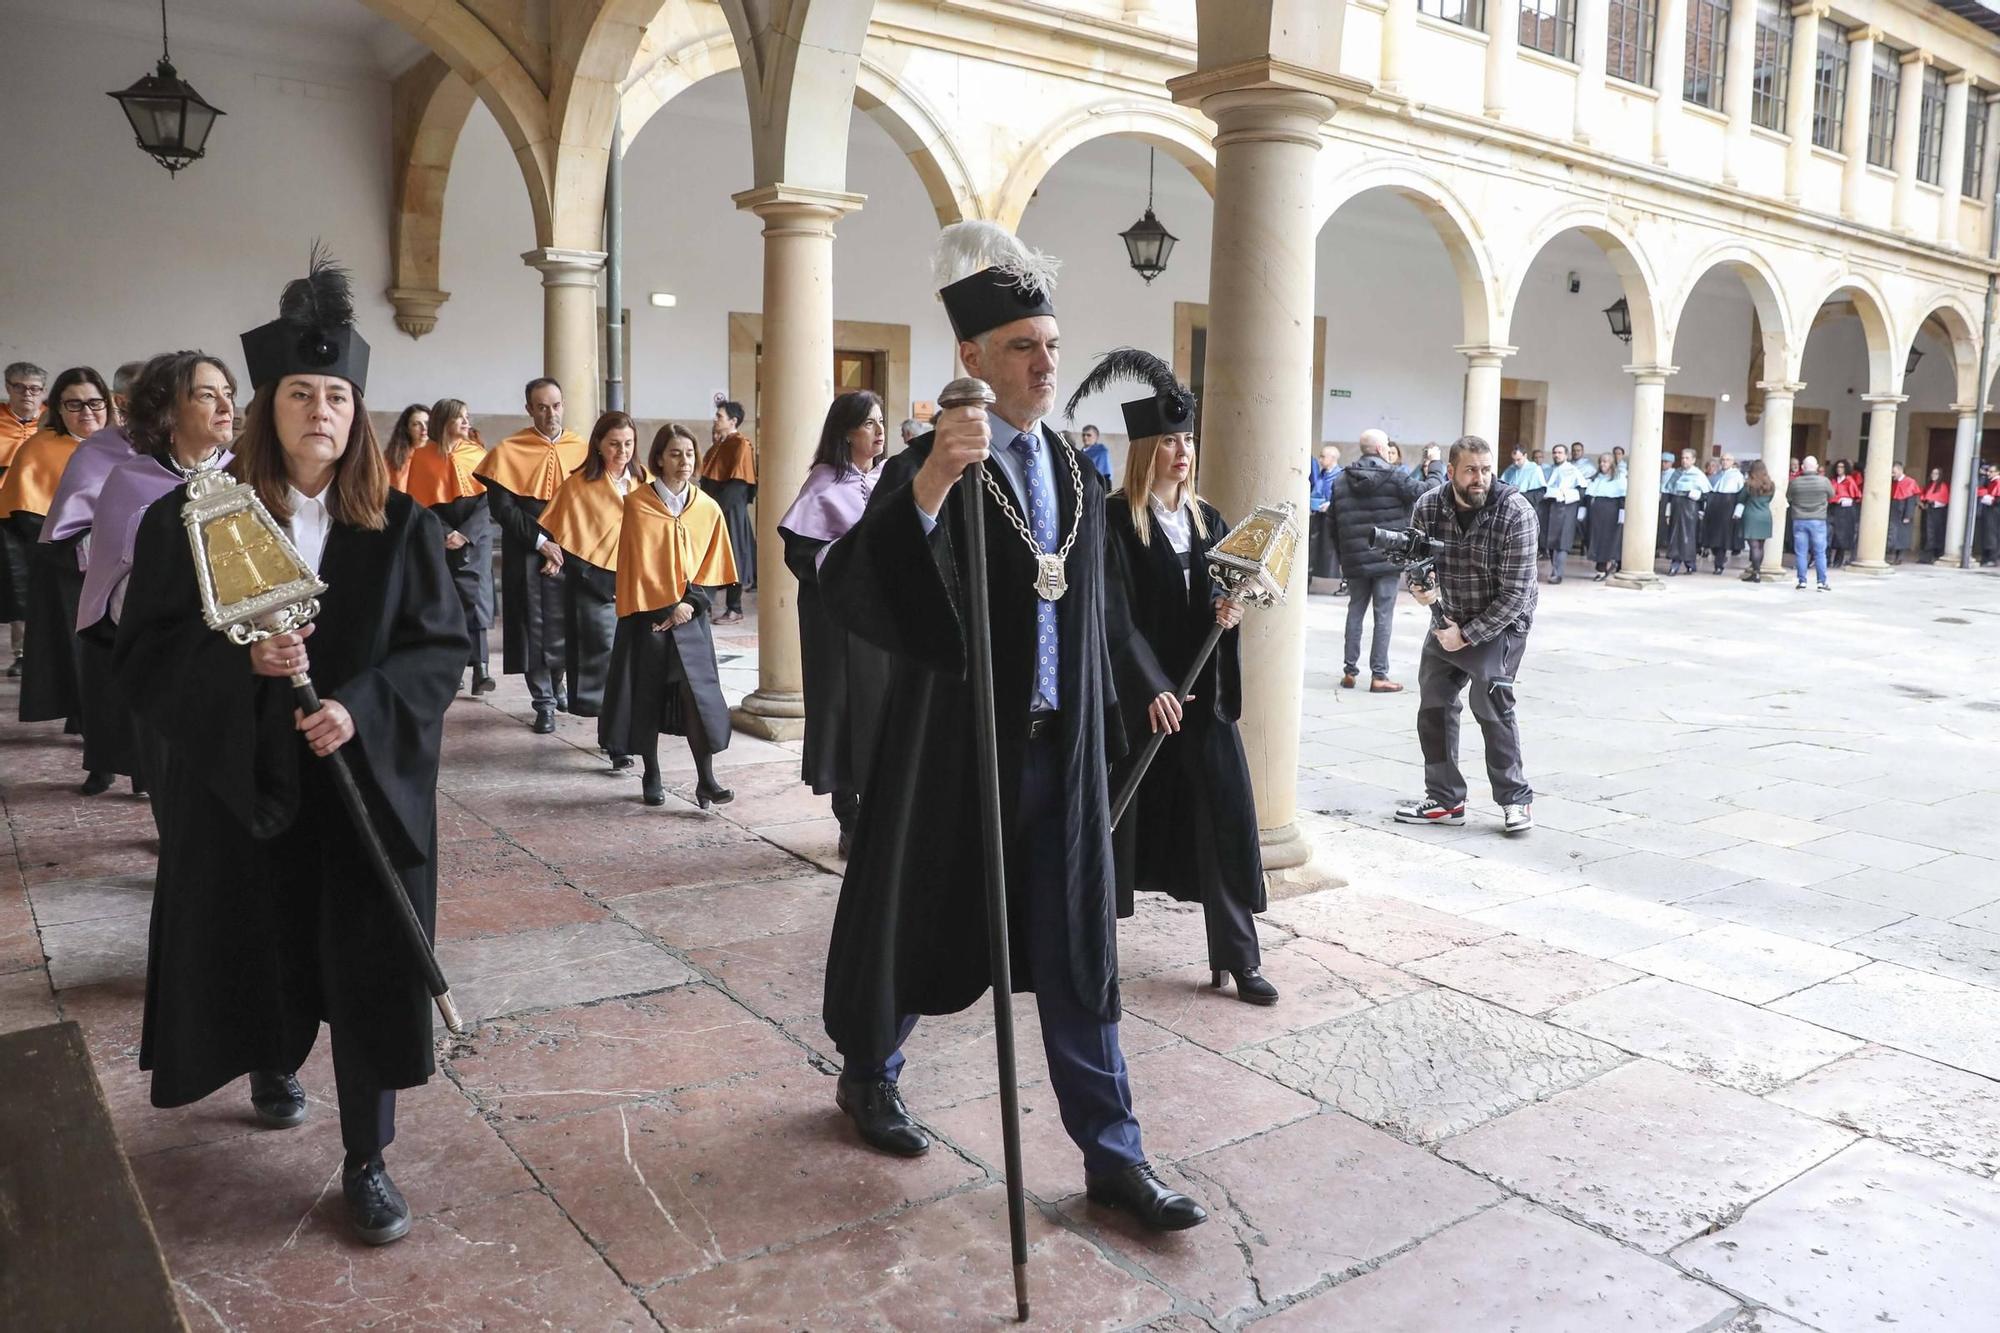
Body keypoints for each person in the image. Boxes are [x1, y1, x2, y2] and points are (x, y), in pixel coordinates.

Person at [817, 223, 1205, 1232]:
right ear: (973, 358)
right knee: (923, 916)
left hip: (1056, 753)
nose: (1044, 364)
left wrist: (1150, 675)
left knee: (1077, 953)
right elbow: (858, 587)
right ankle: (869, 1071)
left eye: (1050, 346)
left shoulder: (1075, 475)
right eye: (1023, 347)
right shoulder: (935, 460)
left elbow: (1103, 606)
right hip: (955, 753)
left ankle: (1113, 1156)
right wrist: (936, 482)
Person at [113, 250, 468, 1247]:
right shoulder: (192, 521)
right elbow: (144, 655)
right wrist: (246, 669)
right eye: (300, 393)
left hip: (365, 788)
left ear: (357, 415)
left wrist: (360, 704)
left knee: (363, 964)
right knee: (261, 950)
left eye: (338, 396)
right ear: (268, 408)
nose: (320, 411)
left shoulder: (398, 527)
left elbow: (440, 648)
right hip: (248, 787)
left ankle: (367, 1156)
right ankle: (269, 1056)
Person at [1085, 349, 1272, 1006]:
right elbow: (1112, 616)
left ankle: (1239, 957)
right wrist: (1148, 686)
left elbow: (1224, 598)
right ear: (1144, 450)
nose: (1182, 452)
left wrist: (1228, 610)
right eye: (1168, 441)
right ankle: (1090, 959)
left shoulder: (1208, 521)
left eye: (1186, 439)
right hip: (1140, 704)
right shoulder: (1112, 522)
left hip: (1201, 700)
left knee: (1222, 821)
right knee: (1114, 828)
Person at [78, 353, 238, 806]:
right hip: (166, 663)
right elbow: (113, 585)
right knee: (175, 791)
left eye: (228, 394)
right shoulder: (129, 482)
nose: (226, 407)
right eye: (207, 395)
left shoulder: (247, 475)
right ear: (168, 410)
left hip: (239, 663)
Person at [1395, 436, 1538, 836]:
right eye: (1472, 470)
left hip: (1502, 622)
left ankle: (1515, 800)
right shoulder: (1427, 505)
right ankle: (1445, 800)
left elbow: (1517, 594)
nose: (1481, 479)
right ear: (1452, 470)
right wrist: (1419, 586)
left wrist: (1469, 635)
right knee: (1434, 705)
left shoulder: (1515, 512)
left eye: (1487, 469)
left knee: (1490, 702)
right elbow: (1416, 559)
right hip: (1449, 616)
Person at [779, 391, 892, 855]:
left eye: (882, 421)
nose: (880, 431)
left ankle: (884, 810)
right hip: (838, 623)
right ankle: (850, 817)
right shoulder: (823, 486)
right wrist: (852, 559)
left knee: (884, 710)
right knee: (843, 710)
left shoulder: (891, 480)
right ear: (846, 432)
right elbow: (801, 555)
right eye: (869, 423)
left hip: (885, 621)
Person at [604, 423, 737, 809]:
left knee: (696, 695)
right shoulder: (638, 504)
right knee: (648, 695)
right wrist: (666, 607)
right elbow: (634, 565)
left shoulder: (707, 508)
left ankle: (706, 779)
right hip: (649, 617)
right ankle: (652, 772)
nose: (684, 461)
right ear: (659, 458)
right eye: (676, 454)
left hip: (690, 616)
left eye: (690, 454)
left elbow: (714, 565)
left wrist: (690, 605)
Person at [41, 360, 150, 795]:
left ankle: (146, 771)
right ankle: (103, 764)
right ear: (123, 402)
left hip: (159, 584)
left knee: (150, 679)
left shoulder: (178, 447)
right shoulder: (97, 450)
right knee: (105, 679)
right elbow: (68, 522)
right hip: (106, 579)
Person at [476, 378, 586, 731]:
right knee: (534, 630)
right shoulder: (509, 450)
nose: (550, 413)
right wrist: (542, 544)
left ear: (563, 405)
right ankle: (544, 703)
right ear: (529, 409)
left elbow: (589, 506)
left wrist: (563, 547)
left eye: (555, 405)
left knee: (569, 625)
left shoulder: (582, 449)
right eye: (541, 407)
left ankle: (559, 684)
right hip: (527, 549)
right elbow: (504, 510)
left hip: (572, 547)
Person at [4, 367, 110, 731]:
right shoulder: (39, 447)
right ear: (59, 408)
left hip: (120, 568)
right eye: (74, 404)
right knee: (74, 648)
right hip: (66, 569)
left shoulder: (125, 446)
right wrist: (80, 546)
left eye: (95, 402)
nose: (86, 412)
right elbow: (26, 515)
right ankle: (84, 716)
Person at [538, 410, 645, 763]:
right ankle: (614, 740)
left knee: (632, 664)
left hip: (639, 585)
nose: (622, 451)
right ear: (598, 444)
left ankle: (620, 735)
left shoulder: (642, 481)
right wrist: (597, 580)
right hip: (593, 584)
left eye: (628, 444)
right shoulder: (578, 485)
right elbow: (566, 539)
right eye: (614, 444)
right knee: (605, 662)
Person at [405, 398, 496, 693]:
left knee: (477, 600)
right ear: (445, 422)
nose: (466, 422)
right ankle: (452, 667)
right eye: (460, 418)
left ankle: (481, 669)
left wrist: (466, 534)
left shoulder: (478, 454)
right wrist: (446, 533)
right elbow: (421, 503)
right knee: (447, 602)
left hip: (475, 537)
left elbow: (488, 501)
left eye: (467, 417)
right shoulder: (422, 457)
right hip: (440, 536)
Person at [1330, 428, 1423, 691]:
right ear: (1382, 450)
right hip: (1387, 558)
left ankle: (1349, 671)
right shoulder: (1395, 476)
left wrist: (1343, 556)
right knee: (1383, 616)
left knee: (1355, 611)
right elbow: (1426, 490)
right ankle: (1379, 676)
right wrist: (1435, 464)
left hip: (1355, 559)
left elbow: (1331, 523)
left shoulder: (1341, 480)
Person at [699, 399, 757, 624]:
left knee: (735, 557)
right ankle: (705, 605)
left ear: (733, 421)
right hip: (715, 508)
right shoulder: (719, 444)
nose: (715, 419)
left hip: (730, 509)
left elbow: (739, 483)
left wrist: (717, 509)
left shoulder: (740, 444)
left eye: (720, 416)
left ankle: (735, 608)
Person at [1786, 455, 1835, 590]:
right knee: (1820, 552)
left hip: (1799, 520)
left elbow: (1789, 497)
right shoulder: (1824, 481)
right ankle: (1821, 582)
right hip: (1818, 520)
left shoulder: (1795, 482)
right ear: (1817, 467)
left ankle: (1802, 581)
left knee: (1801, 552)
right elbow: (1832, 495)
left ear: (1802, 467)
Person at [1540, 443, 1585, 583]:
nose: (1557, 455)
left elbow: (1582, 490)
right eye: (1554, 452)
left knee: (1562, 542)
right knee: (1551, 541)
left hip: (1565, 508)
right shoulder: (1547, 469)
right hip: (1550, 507)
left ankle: (1558, 573)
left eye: (1560, 452)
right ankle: (1554, 570)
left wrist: (1565, 494)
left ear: (1566, 455)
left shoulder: (1572, 470)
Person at [1661, 448, 1710, 575]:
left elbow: (1706, 495)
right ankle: (1675, 563)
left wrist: (1694, 494)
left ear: (1693, 460)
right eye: (1683, 458)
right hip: (1676, 507)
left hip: (1690, 507)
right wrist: (1667, 512)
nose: (1684, 460)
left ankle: (1689, 563)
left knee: (1688, 537)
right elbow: (1670, 494)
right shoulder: (1676, 473)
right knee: (1675, 536)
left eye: (1687, 458)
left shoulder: (1698, 474)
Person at [1583, 452, 1625, 581]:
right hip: (1595, 512)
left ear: (1611, 464)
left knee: (1607, 539)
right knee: (1595, 539)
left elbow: (1622, 497)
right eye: (1601, 461)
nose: (1602, 464)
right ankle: (1602, 565)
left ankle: (1602, 567)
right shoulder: (1596, 477)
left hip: (1610, 511)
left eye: (1606, 461)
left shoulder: (1618, 478)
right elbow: (1588, 495)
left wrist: (1622, 513)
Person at [1704, 453, 1744, 573]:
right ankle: (1718, 559)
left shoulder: (1737, 476)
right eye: (1723, 460)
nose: (1725, 462)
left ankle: (1719, 564)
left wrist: (1738, 510)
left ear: (1732, 462)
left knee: (1722, 538)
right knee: (1712, 536)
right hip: (1715, 507)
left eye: (1727, 460)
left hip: (1728, 507)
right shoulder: (1717, 475)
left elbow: (1741, 495)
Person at [1737, 460, 1776, 582]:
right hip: (1765, 516)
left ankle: (1756, 572)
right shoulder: (1771, 485)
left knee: (1754, 546)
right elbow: (1770, 499)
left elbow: (1741, 498)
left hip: (1751, 515)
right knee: (1761, 546)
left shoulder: (1749, 484)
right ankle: (1757, 572)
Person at [1500, 445, 1546, 548]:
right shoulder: (1511, 468)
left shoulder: (1535, 469)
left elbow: (1539, 492)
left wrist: (1520, 497)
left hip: (1528, 504)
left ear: (1525, 456)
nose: (1516, 463)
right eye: (1513, 460)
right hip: (1510, 505)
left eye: (1518, 460)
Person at [1308, 441, 1341, 586]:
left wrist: (1331, 503)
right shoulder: (1322, 474)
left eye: (1323, 457)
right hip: (1318, 515)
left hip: (1331, 518)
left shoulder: (1340, 475)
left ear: (1333, 458)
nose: (1320, 460)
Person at [381, 403, 427, 493]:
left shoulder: (443, 456)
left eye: (427, 423)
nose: (424, 428)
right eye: (416, 424)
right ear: (407, 429)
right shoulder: (392, 458)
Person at [1827, 458, 1862, 567]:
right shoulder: (1832, 480)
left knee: (1842, 536)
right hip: (1833, 509)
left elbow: (1855, 496)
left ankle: (1838, 560)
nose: (1839, 469)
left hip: (1845, 512)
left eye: (1842, 467)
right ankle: (1827, 559)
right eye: (1838, 467)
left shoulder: (1849, 480)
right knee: (1829, 535)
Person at [1885, 462, 1919, 564]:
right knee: (1893, 535)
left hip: (1903, 511)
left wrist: (1908, 515)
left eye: (1893, 472)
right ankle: (1893, 556)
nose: (1892, 475)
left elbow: (1911, 501)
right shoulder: (1892, 482)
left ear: (1900, 470)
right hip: (1894, 510)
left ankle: (1899, 558)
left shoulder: (1910, 482)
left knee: (1902, 536)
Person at [1918, 466, 1951, 563]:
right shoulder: (1929, 485)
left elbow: (1944, 500)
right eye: (1932, 473)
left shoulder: (1943, 486)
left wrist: (1932, 502)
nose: (1933, 475)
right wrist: (1923, 504)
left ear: (1940, 475)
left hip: (1937, 513)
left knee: (1934, 535)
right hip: (1928, 512)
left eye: (1936, 473)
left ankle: (1933, 556)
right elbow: (1924, 497)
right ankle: (1925, 557)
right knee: (1926, 534)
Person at [1978, 462, 2000, 566]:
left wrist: (1989, 499)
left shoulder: (1998, 482)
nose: (1988, 473)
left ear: (1997, 472)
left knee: (1992, 534)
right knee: (1987, 534)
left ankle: (1993, 558)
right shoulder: (1990, 481)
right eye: (1988, 471)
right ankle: (1987, 557)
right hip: (1988, 511)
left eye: (1991, 471)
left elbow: (1997, 498)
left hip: (1994, 512)